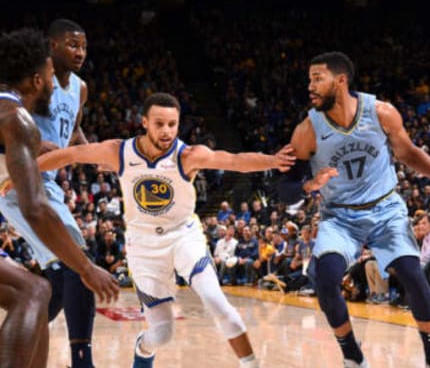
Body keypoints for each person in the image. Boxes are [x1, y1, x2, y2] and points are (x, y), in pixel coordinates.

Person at [34, 92, 295, 368]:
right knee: (161, 333)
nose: (167, 131)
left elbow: (233, 160)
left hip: (183, 235)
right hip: (143, 245)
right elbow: (71, 154)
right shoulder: (119, 151)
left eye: (173, 124)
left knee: (218, 304)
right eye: (159, 124)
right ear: (144, 122)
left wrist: (272, 161)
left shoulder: (187, 156)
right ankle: (143, 350)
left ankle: (251, 364)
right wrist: (23, 173)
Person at [289, 52, 430, 368]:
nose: (310, 85)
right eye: (309, 79)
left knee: (413, 276)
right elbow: (286, 184)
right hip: (340, 216)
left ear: (341, 80)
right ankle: (353, 356)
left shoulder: (381, 112)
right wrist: (307, 186)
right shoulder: (308, 129)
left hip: (385, 209)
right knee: (325, 279)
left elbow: (407, 153)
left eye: (317, 78)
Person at [0, 27, 118, 368]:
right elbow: (35, 208)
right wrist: (88, 269)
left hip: (30, 184)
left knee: (33, 293)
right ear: (37, 80)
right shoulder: (16, 118)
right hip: (26, 190)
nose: (54, 83)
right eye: (50, 75)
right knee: (36, 290)